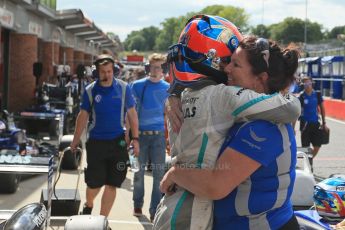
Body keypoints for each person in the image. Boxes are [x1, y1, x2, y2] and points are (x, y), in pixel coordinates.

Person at [160, 35, 301, 230]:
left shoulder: (266, 127)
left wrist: (175, 173)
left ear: (260, 78)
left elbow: (215, 185)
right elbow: (204, 92)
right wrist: (174, 96)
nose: (226, 69)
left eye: (235, 65)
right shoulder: (245, 112)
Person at [70, 54, 139, 217]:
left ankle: (102, 220)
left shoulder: (123, 88)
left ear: (113, 71)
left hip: (117, 143)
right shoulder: (90, 90)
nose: (106, 75)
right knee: (94, 184)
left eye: (109, 71)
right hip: (96, 143)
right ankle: (89, 204)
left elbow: (132, 114)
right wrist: (75, 141)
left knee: (112, 183)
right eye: (103, 72)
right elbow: (82, 116)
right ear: (97, 72)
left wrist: (135, 139)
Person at [128, 53, 170, 222]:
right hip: (140, 137)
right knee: (138, 173)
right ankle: (137, 203)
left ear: (163, 69)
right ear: (148, 68)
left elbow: (169, 115)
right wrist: (129, 136)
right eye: (152, 67)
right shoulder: (137, 86)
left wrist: (169, 139)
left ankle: (154, 209)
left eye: (159, 67)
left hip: (158, 137)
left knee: (159, 175)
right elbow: (130, 114)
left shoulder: (168, 88)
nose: (155, 70)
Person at [297, 75, 329, 159]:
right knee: (305, 148)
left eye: (309, 82)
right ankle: (309, 165)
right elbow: (296, 112)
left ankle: (309, 159)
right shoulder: (301, 96)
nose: (307, 84)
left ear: (312, 83)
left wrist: (324, 123)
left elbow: (322, 108)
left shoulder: (317, 94)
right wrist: (292, 127)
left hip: (315, 124)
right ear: (302, 84)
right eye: (305, 83)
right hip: (305, 125)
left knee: (317, 146)